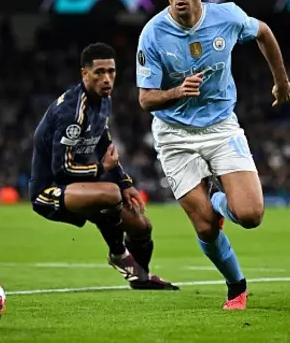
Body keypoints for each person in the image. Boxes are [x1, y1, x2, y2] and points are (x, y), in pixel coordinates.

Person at [136, 0, 290, 308]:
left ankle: (221, 202)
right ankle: (236, 286)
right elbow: (145, 100)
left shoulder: (228, 17)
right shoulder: (152, 34)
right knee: (205, 225)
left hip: (221, 127)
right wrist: (177, 92)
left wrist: (281, 81)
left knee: (251, 216)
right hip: (175, 136)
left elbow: (264, 32)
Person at [29, 42, 178, 290]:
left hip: (80, 187)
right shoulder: (72, 113)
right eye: (99, 72)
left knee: (142, 226)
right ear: (84, 74)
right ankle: (118, 254)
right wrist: (101, 170)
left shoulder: (103, 100)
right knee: (109, 195)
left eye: (111, 71)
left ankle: (139, 278)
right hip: (49, 192)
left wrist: (124, 181)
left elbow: (103, 143)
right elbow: (60, 170)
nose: (107, 78)